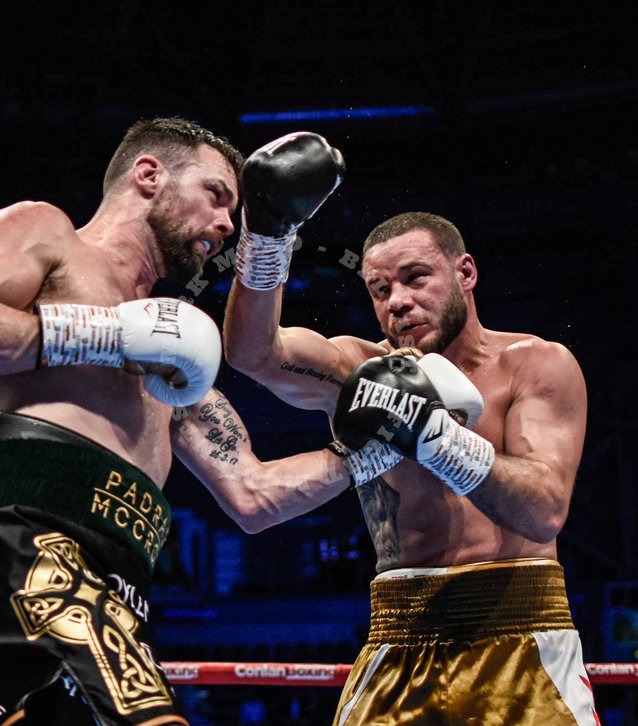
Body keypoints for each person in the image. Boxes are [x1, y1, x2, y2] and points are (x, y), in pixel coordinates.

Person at [0, 117, 359, 726]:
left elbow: (254, 495)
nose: (227, 224)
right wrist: (106, 334)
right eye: (217, 196)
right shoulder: (48, 234)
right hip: (19, 548)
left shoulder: (174, 351)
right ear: (148, 175)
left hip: (121, 583)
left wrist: (373, 447)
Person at [223, 136, 600, 725]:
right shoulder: (358, 368)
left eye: (415, 278)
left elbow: (543, 511)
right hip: (400, 634)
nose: (397, 302)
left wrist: (433, 434)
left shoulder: (536, 364)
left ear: (465, 272)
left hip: (521, 635)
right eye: (380, 289)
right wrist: (266, 236)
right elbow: (253, 354)